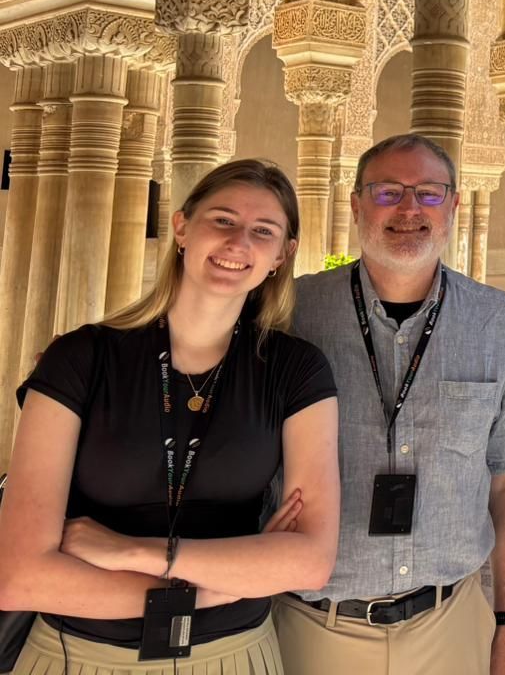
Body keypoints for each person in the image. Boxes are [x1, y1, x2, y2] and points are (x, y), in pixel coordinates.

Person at [0, 159, 339, 674]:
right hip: (80, 656)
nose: (238, 243)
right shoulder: (81, 358)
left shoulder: (294, 369)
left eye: (263, 231)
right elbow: (20, 578)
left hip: (234, 657)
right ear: (182, 228)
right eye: (222, 220)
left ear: (282, 255)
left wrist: (136, 553)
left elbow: (310, 563)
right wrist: (224, 586)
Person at [274, 133, 505, 675]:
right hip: (313, 625)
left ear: (454, 205)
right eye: (387, 192)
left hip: (448, 625)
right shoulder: (294, 314)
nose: (409, 208)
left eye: (428, 193)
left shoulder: (497, 323)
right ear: (356, 205)